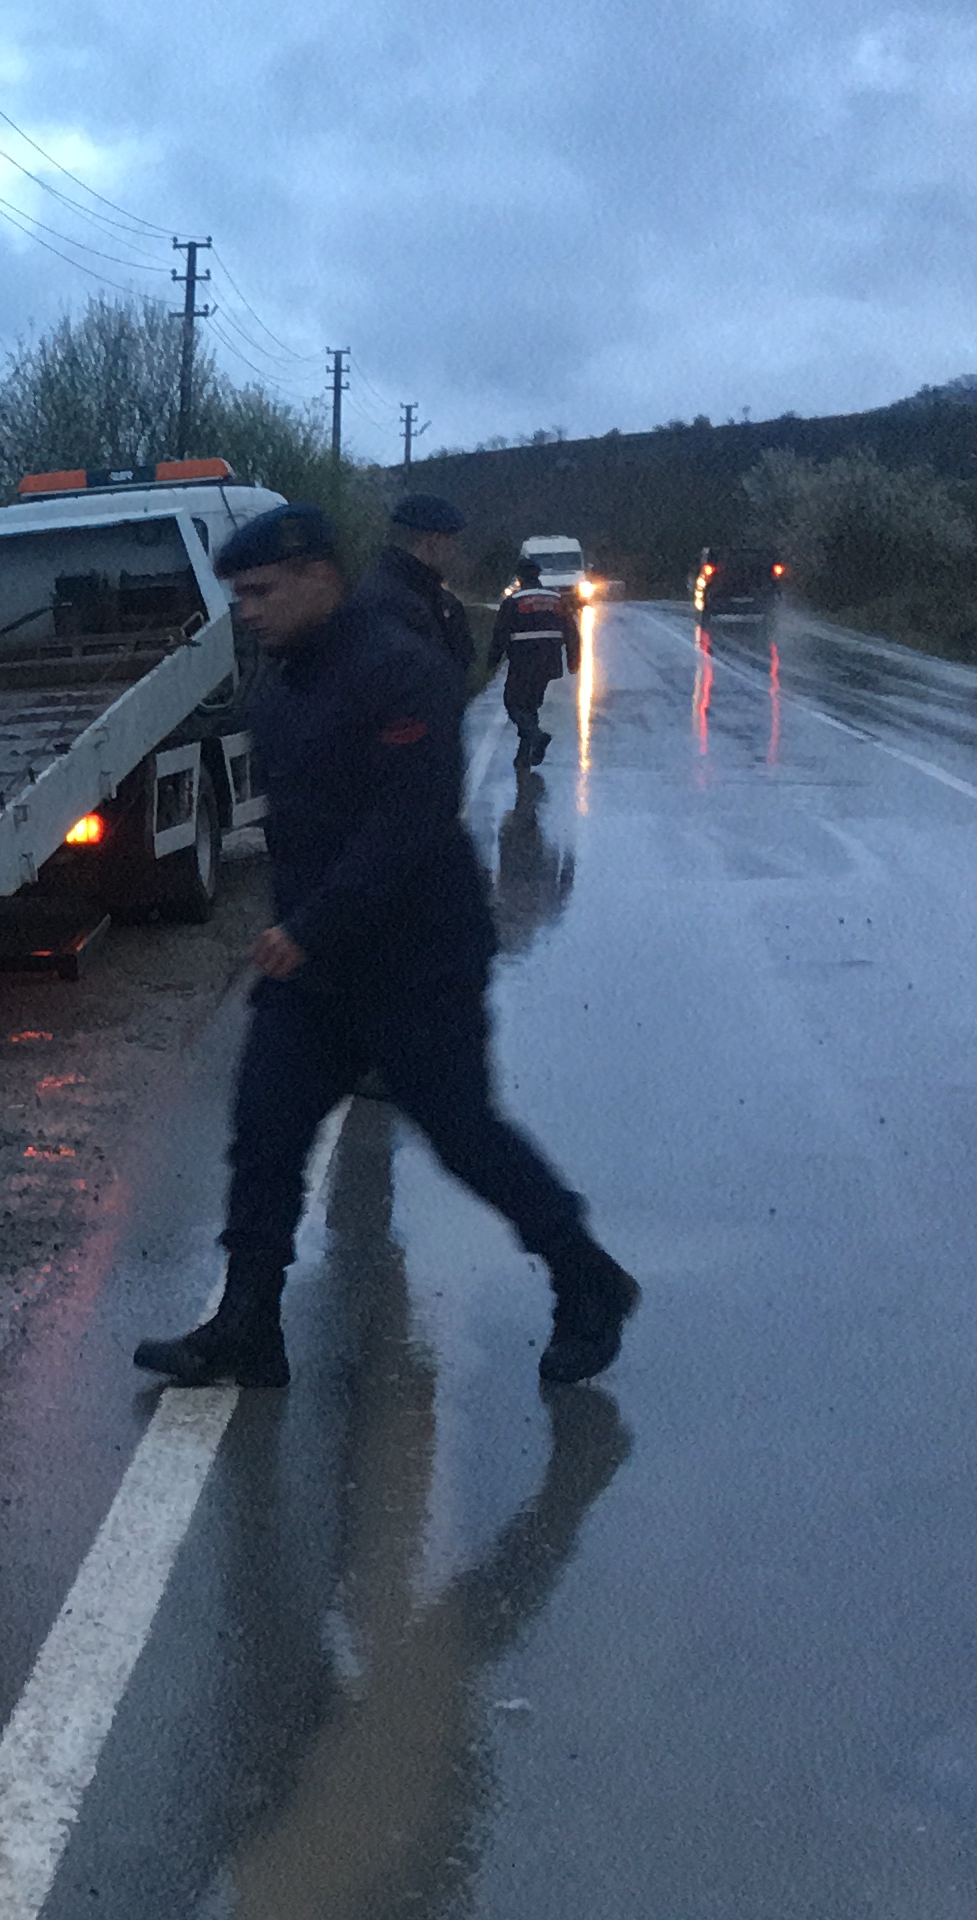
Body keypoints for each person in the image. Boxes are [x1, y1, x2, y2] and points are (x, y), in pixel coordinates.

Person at [133, 503, 641, 1389]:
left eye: (259, 591)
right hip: (317, 971)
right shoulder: (281, 685)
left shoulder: (399, 669)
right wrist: (294, 933)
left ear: (319, 579)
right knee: (264, 1128)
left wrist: (306, 927)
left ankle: (586, 1276)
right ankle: (248, 1323)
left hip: (418, 960)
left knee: (464, 1135)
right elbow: (300, 828)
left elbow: (404, 828)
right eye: (236, 594)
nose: (244, 610)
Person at [357, 493, 479, 681]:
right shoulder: (386, 602)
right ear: (434, 542)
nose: (456, 549)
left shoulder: (442, 601)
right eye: (453, 540)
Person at [492, 558, 576, 769]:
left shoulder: (513, 602)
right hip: (550, 660)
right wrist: (574, 659)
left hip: (523, 659)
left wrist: (492, 660)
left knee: (513, 703)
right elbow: (572, 632)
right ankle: (525, 753)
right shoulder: (556, 600)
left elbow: (500, 633)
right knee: (531, 703)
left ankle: (536, 737)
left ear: (519, 578)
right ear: (538, 575)